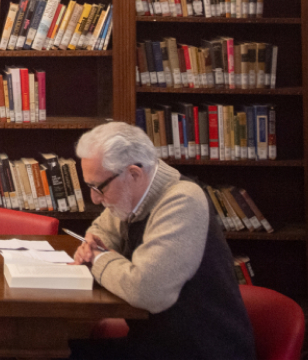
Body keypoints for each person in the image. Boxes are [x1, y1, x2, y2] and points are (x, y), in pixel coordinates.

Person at [69, 121, 256, 360]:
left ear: (134, 174)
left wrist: (97, 259)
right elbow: (102, 228)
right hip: (157, 344)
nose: (94, 199)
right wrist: (95, 243)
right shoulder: (133, 196)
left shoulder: (182, 200)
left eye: (99, 187)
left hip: (200, 350)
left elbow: (147, 290)